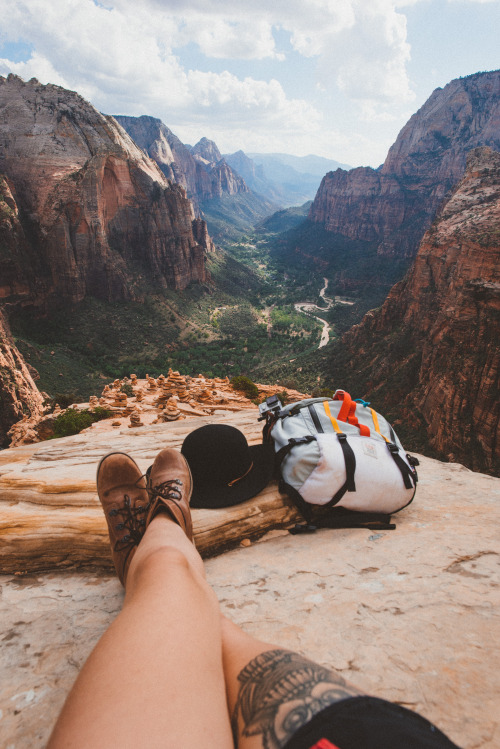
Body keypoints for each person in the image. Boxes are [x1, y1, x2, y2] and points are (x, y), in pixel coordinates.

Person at [47, 448, 460, 749]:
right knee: (210, 626)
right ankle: (167, 523)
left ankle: (151, 545)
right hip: (367, 735)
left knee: (170, 577)